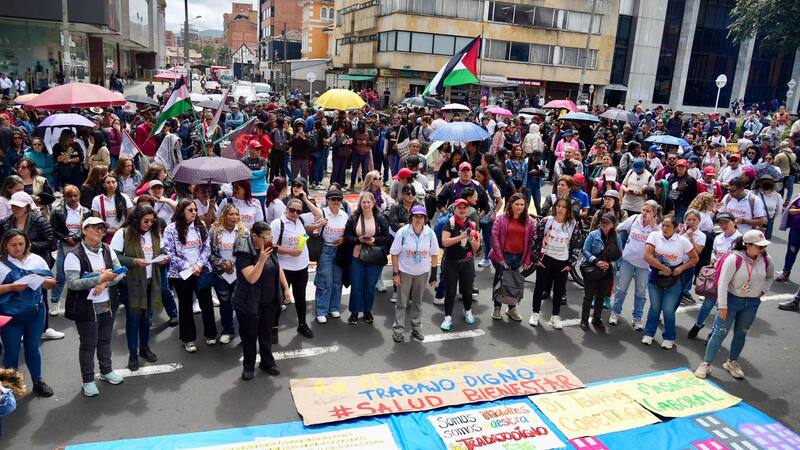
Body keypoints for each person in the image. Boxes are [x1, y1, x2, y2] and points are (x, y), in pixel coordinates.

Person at [695, 230, 774, 380]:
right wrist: (723, 306)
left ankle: (732, 362)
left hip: (751, 303)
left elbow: (770, 276)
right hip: (732, 300)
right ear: (747, 245)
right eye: (759, 246)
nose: (762, 249)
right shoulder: (733, 259)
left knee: (741, 332)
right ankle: (706, 364)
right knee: (720, 332)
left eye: (763, 246)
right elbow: (722, 284)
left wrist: (763, 291)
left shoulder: (765, 259)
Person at [64, 217, 126, 397]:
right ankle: (88, 380)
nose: (100, 231)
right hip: (85, 307)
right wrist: (100, 279)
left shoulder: (107, 249)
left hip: (108, 302)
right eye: (96, 228)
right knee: (88, 344)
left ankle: (106, 370)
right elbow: (73, 283)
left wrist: (106, 284)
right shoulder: (73, 255)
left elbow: (120, 272)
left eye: (102, 229)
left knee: (105, 339)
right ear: (84, 230)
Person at [0, 229, 56, 398]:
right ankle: (8, 388)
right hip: (10, 316)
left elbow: (52, 283)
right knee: (11, 351)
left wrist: (42, 280)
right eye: (13, 245)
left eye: (21, 244)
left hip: (35, 312)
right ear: (5, 246)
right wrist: (11, 287)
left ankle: (38, 381)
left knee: (33, 348)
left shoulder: (36, 260)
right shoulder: (1, 264)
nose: (18, 248)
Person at [233, 221, 291, 381]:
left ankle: (267, 362)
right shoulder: (243, 252)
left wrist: (285, 287)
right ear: (254, 236)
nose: (268, 240)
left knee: (266, 333)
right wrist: (261, 259)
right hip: (248, 302)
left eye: (269, 236)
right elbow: (251, 278)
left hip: (269, 301)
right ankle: (248, 366)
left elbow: (278, 267)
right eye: (264, 237)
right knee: (249, 337)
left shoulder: (268, 247)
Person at [0, 192, 62, 341]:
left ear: (27, 207)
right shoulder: (6, 222)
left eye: (18, 206)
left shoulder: (40, 221)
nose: (15, 209)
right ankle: (18, 327)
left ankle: (44, 328)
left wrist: (28, 246)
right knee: (15, 296)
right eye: (13, 205)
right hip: (12, 265)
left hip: (35, 263)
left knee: (40, 297)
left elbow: (50, 242)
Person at [111, 205, 165, 371]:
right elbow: (114, 257)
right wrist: (134, 261)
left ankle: (144, 348)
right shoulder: (123, 233)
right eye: (145, 221)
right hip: (131, 284)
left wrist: (163, 258)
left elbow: (161, 251)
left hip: (150, 281)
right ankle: (133, 354)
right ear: (136, 220)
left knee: (147, 318)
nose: (149, 224)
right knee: (134, 319)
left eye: (151, 221)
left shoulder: (155, 233)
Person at [162, 199, 217, 353]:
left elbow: (207, 247)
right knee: (185, 306)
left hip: (201, 270)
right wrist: (189, 266)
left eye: (195, 210)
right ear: (181, 212)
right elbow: (169, 253)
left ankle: (211, 334)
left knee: (206, 303)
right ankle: (188, 339)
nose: (194, 212)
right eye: (190, 210)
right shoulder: (170, 230)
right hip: (181, 274)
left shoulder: (201, 226)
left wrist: (199, 264)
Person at [270, 194, 324, 340]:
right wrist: (289, 251)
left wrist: (305, 199)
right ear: (286, 209)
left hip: (301, 267)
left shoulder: (300, 220)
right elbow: (270, 246)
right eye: (292, 210)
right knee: (278, 299)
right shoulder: (277, 224)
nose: (295, 214)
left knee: (301, 297)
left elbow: (319, 214)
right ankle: (273, 328)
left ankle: (302, 324)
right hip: (284, 268)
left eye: (298, 211)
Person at [641, 215, 699, 349]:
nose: (665, 228)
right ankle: (649, 334)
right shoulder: (654, 236)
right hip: (656, 275)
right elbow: (647, 255)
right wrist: (663, 268)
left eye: (668, 226)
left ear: (675, 228)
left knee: (668, 310)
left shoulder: (683, 241)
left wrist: (680, 268)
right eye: (663, 225)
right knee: (655, 308)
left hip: (675, 277)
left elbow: (694, 258)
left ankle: (669, 337)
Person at [390, 204, 438, 342]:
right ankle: (398, 329)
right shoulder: (403, 232)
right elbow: (394, 254)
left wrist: (433, 274)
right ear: (411, 218)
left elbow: (434, 254)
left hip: (422, 273)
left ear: (425, 218)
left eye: (421, 217)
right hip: (405, 272)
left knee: (417, 302)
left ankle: (416, 327)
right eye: (416, 216)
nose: (418, 219)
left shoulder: (429, 233)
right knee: (401, 303)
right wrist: (395, 274)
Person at [688, 212, 740, 339]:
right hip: (716, 276)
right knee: (707, 304)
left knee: (721, 307)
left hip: (732, 279)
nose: (723, 225)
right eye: (721, 223)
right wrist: (713, 259)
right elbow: (714, 252)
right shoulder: (718, 238)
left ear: (734, 222)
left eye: (726, 222)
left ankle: (714, 332)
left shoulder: (740, 240)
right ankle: (698, 324)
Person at [343, 192, 391, 325]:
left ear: (373, 203)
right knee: (357, 285)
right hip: (356, 256)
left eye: (368, 202)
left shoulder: (380, 218)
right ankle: (354, 312)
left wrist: (374, 240)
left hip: (374, 258)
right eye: (363, 202)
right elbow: (347, 237)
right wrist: (358, 239)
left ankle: (367, 310)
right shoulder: (353, 218)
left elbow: (386, 237)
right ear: (360, 204)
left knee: (370, 286)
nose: (366, 204)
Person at [611, 200, 661, 329]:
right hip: (628, 260)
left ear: (654, 213)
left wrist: (653, 226)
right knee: (621, 289)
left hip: (644, 265)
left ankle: (637, 318)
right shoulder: (634, 219)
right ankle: (615, 313)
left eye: (648, 211)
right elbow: (618, 228)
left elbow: (660, 244)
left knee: (640, 293)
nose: (644, 213)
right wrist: (621, 246)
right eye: (643, 210)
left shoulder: (657, 227)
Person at [489, 193, 536, 322]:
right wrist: (500, 258)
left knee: (515, 282)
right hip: (504, 255)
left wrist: (527, 260)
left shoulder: (531, 222)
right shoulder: (501, 219)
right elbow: (495, 238)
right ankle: (497, 307)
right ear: (510, 204)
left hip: (520, 257)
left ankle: (511, 308)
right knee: (500, 281)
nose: (519, 207)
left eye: (522, 204)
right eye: (516, 204)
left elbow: (532, 242)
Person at [438, 198, 481, 331]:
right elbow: (444, 242)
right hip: (451, 262)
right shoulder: (449, 223)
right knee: (450, 291)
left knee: (467, 290)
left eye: (464, 208)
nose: (462, 210)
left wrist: (471, 239)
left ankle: (467, 311)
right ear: (454, 209)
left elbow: (476, 247)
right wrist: (461, 237)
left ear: (468, 210)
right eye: (459, 208)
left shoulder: (472, 225)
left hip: (467, 262)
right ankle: (448, 317)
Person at [210, 204, 248, 345]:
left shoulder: (244, 231)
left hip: (240, 274)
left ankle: (245, 332)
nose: (235, 217)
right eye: (231, 214)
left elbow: (247, 252)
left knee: (241, 304)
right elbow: (210, 253)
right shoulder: (214, 231)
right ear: (224, 215)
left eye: (236, 214)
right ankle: (228, 330)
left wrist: (234, 263)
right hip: (221, 275)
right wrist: (222, 264)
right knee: (225, 303)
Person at [49, 185, 91, 315]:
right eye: (69, 196)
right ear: (64, 197)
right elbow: (53, 229)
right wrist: (66, 239)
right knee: (61, 276)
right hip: (64, 246)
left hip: (81, 246)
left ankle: (84, 301)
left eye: (75, 195)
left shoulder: (86, 211)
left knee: (83, 274)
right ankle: (55, 302)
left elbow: (88, 228)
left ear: (79, 196)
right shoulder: (57, 211)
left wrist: (77, 238)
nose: (73, 199)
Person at [580, 213, 622, 331]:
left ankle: (597, 319)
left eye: (607, 222)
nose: (603, 224)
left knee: (601, 296)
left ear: (613, 225)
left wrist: (610, 265)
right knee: (589, 296)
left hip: (608, 271)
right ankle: (584, 319)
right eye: (602, 221)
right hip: (593, 269)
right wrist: (596, 262)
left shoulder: (616, 238)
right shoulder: (593, 234)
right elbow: (585, 250)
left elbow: (619, 255)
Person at [314, 186, 349, 323]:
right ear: (327, 200)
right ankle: (321, 310)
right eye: (333, 199)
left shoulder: (344, 215)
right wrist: (318, 225)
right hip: (326, 249)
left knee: (337, 281)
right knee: (325, 280)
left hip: (339, 250)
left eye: (338, 199)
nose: (336, 201)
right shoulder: (322, 213)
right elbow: (313, 231)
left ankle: (334, 307)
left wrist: (343, 239)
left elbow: (348, 233)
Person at [92, 175, 133, 244]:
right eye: (108, 182)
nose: (111, 185)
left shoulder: (125, 197)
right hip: (104, 235)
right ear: (103, 185)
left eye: (113, 182)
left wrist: (119, 230)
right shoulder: (97, 199)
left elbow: (129, 217)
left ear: (117, 183)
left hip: (122, 233)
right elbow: (96, 220)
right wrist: (106, 231)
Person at [678, 210, 707, 304]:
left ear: (699, 220)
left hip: (689, 264)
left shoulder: (702, 235)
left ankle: (683, 296)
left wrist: (691, 238)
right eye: (688, 219)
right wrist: (681, 233)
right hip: (677, 261)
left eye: (694, 219)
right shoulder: (682, 231)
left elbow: (698, 251)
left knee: (685, 284)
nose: (691, 222)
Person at [753, 175, 783, 240]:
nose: (767, 183)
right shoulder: (755, 193)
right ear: (760, 183)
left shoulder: (777, 196)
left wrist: (770, 219)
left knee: (761, 244)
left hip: (766, 225)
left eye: (769, 182)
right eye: (765, 182)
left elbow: (779, 210)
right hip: (753, 223)